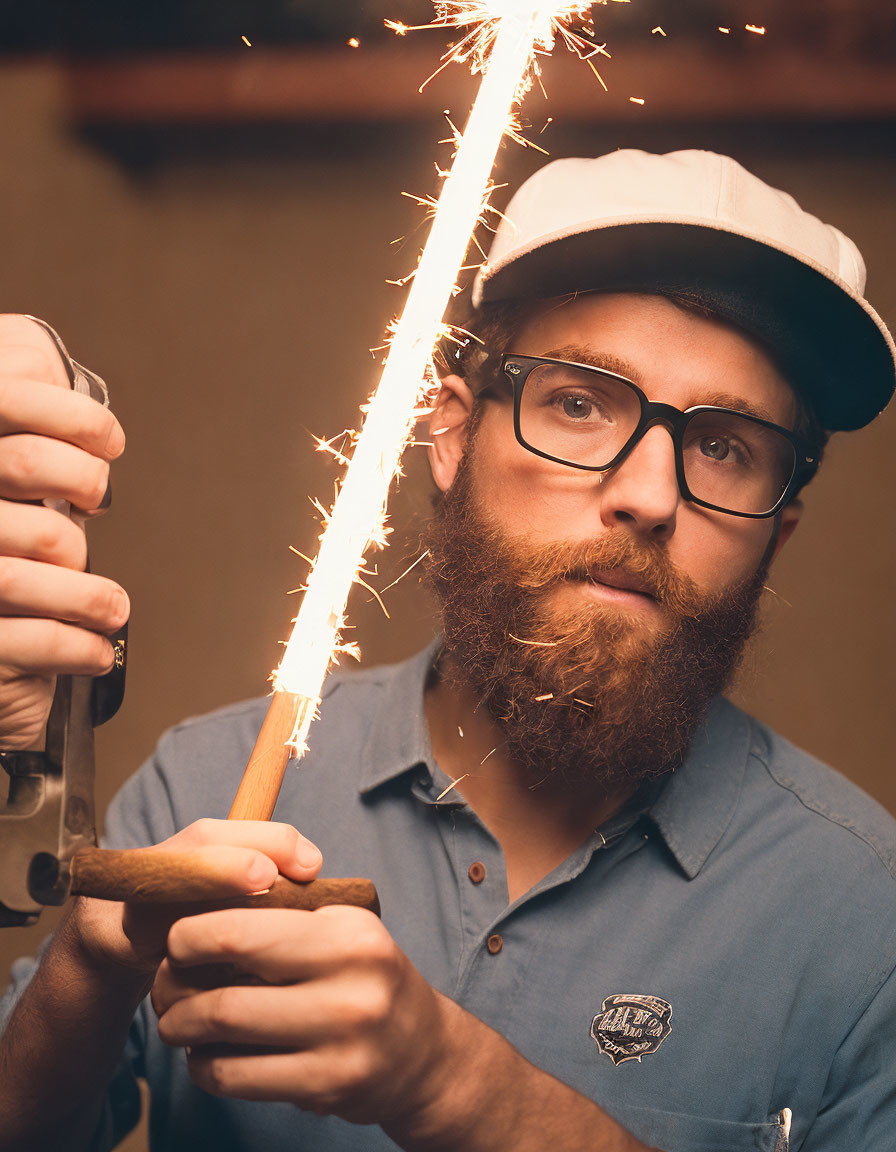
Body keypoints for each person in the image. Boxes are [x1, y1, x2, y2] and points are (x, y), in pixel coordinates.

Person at [0, 148, 894, 1152]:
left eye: (723, 445)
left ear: (774, 535)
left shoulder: (865, 922)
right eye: (580, 402)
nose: (648, 494)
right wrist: (86, 971)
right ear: (451, 435)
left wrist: (458, 1089)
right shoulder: (201, 784)